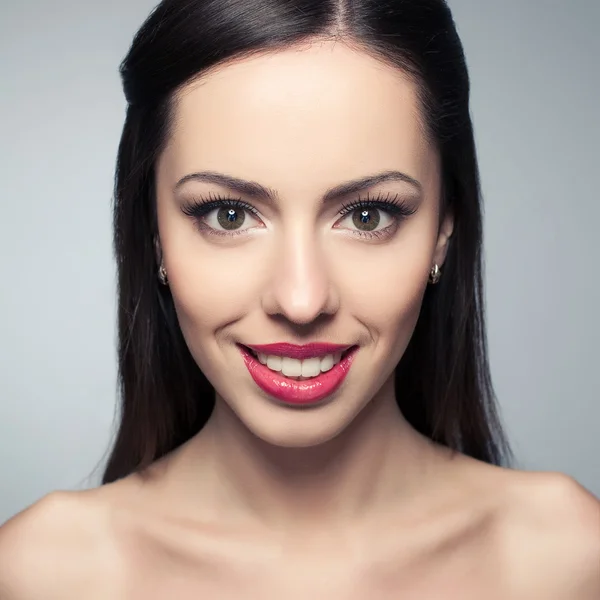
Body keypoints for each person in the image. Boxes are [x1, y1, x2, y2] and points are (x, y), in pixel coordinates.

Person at [1, 0, 598, 598]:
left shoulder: (567, 559)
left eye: (368, 216)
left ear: (444, 228)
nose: (302, 299)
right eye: (228, 215)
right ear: (154, 231)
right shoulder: (40, 572)